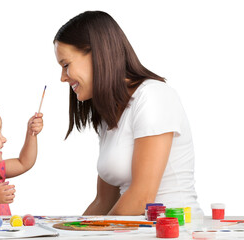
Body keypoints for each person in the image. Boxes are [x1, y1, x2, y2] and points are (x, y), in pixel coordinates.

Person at [54, 11, 203, 216]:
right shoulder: (109, 114)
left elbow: (142, 197)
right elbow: (103, 202)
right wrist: (68, 231)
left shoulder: (152, 96)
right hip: (133, 230)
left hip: (170, 231)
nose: (63, 77)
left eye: (66, 65)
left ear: (97, 54)